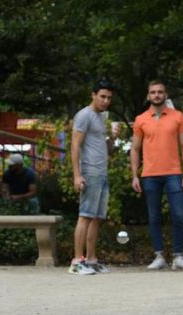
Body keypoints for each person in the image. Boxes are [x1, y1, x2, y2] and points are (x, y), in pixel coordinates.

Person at [130, 80, 183, 270]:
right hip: (150, 174)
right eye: (153, 92)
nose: (157, 95)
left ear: (166, 94)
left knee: (178, 215)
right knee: (154, 217)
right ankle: (158, 255)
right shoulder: (141, 119)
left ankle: (178, 256)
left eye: (160, 92)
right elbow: (135, 149)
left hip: (174, 173)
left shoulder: (178, 116)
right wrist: (135, 175)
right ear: (148, 95)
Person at [68, 79, 115, 275]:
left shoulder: (101, 117)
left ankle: (91, 259)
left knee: (96, 218)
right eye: (102, 96)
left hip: (101, 172)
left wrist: (113, 138)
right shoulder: (84, 115)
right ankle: (77, 261)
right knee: (85, 216)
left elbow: (105, 147)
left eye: (109, 98)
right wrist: (77, 174)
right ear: (93, 95)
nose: (105, 101)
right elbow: (75, 145)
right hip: (89, 171)